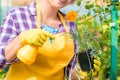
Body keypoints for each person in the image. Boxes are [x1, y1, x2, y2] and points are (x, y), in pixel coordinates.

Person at [0, 0, 100, 80]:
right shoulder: (17, 16)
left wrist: (83, 72)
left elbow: (70, 71)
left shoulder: (70, 24)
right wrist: (21, 39)